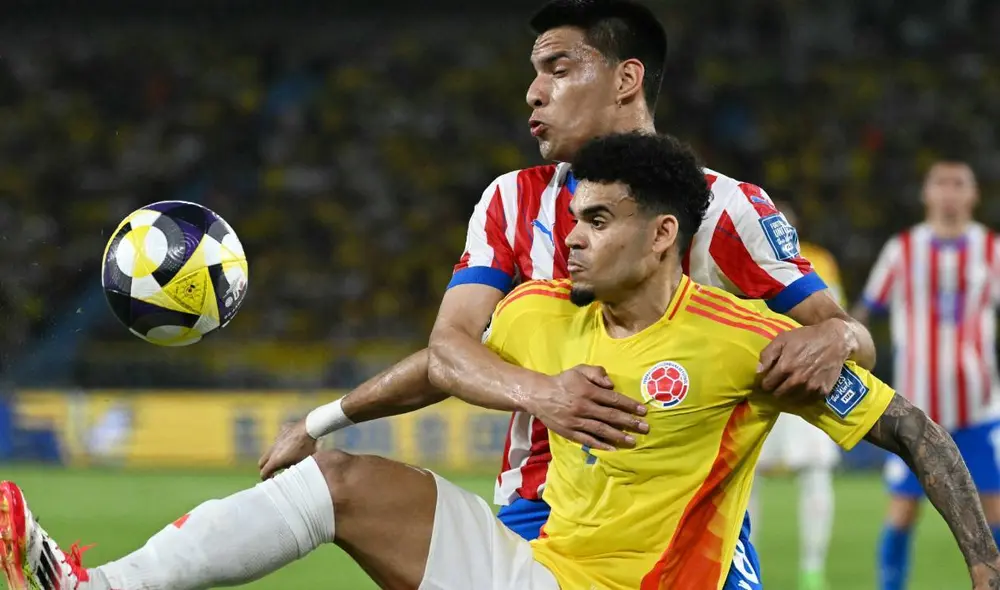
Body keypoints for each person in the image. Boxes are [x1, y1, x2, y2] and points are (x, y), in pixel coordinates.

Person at [4, 132, 998, 590]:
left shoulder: (740, 342)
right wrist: (321, 421)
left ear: (660, 236)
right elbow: (439, 363)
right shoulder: (539, 310)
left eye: (595, 221)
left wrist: (985, 560)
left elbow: (909, 424)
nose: (568, 239)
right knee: (332, 485)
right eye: (569, 218)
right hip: (534, 574)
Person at [260, 2, 877, 587]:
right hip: (539, 509)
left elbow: (850, 339)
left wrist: (836, 335)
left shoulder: (725, 208)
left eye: (558, 68)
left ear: (626, 79)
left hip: (688, 521)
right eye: (534, 73)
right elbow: (448, 351)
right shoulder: (512, 200)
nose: (533, 91)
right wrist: (544, 395)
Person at [853, 159, 1000, 590]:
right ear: (927, 193)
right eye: (941, 183)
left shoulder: (991, 249)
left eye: (959, 184)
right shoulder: (902, 250)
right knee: (902, 511)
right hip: (917, 414)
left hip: (980, 413)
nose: (950, 192)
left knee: (993, 512)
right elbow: (866, 310)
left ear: (973, 195)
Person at [751, 200, 844, 590]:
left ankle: (812, 571)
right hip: (758, 378)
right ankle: (744, 564)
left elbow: (838, 319)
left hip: (807, 377)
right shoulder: (744, 257)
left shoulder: (819, 260)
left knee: (816, 471)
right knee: (743, 476)